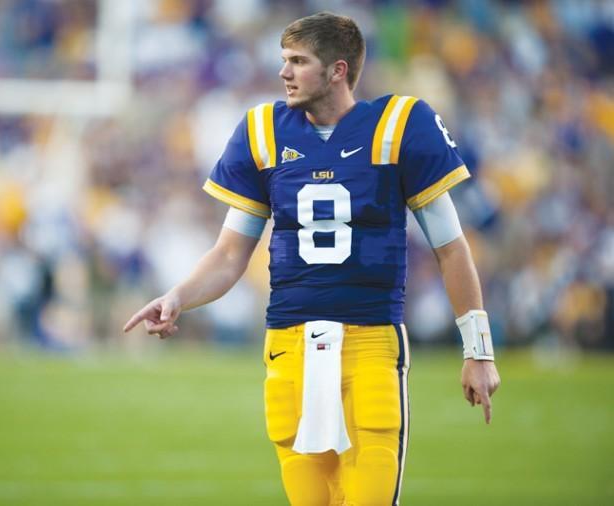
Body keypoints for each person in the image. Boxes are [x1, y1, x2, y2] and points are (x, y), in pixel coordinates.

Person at [124, 11, 500, 506]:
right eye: (284, 59)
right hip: (289, 347)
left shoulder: (399, 126)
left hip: (369, 345)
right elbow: (230, 253)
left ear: (337, 70)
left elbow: (451, 248)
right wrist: (177, 296)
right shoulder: (263, 131)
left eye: (298, 61)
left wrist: (479, 349)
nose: (284, 72)